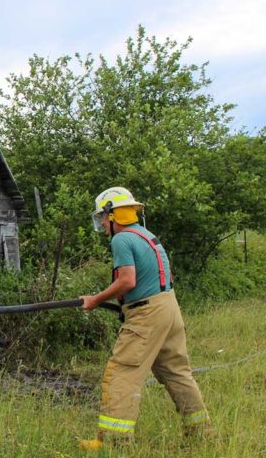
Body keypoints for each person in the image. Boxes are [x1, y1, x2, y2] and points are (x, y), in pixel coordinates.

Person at [78, 187, 210, 450]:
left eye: (103, 218)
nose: (102, 224)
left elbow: (128, 280)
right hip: (169, 308)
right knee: (177, 373)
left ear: (113, 214)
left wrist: (95, 299)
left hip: (147, 313)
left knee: (122, 372)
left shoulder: (121, 240)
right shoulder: (148, 236)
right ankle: (201, 434)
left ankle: (113, 442)